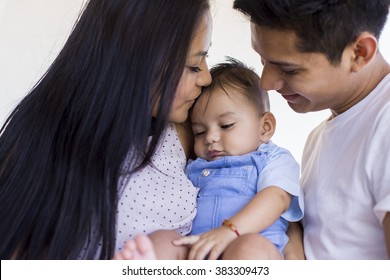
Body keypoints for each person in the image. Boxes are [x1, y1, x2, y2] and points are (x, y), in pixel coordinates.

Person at [0, 0, 212, 259]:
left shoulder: (191, 129)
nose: (206, 77)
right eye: (193, 66)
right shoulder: (36, 146)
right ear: (139, 61)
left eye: (206, 57)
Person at [233, 0, 390, 259]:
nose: (266, 82)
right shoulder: (319, 137)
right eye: (263, 59)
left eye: (289, 69)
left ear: (359, 52)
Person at [115, 58, 304, 260]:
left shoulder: (272, 158)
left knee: (251, 247)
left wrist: (231, 230)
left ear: (265, 127)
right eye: (199, 132)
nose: (210, 138)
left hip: (250, 248)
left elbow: (278, 199)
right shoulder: (196, 165)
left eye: (226, 125)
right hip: (200, 250)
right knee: (166, 240)